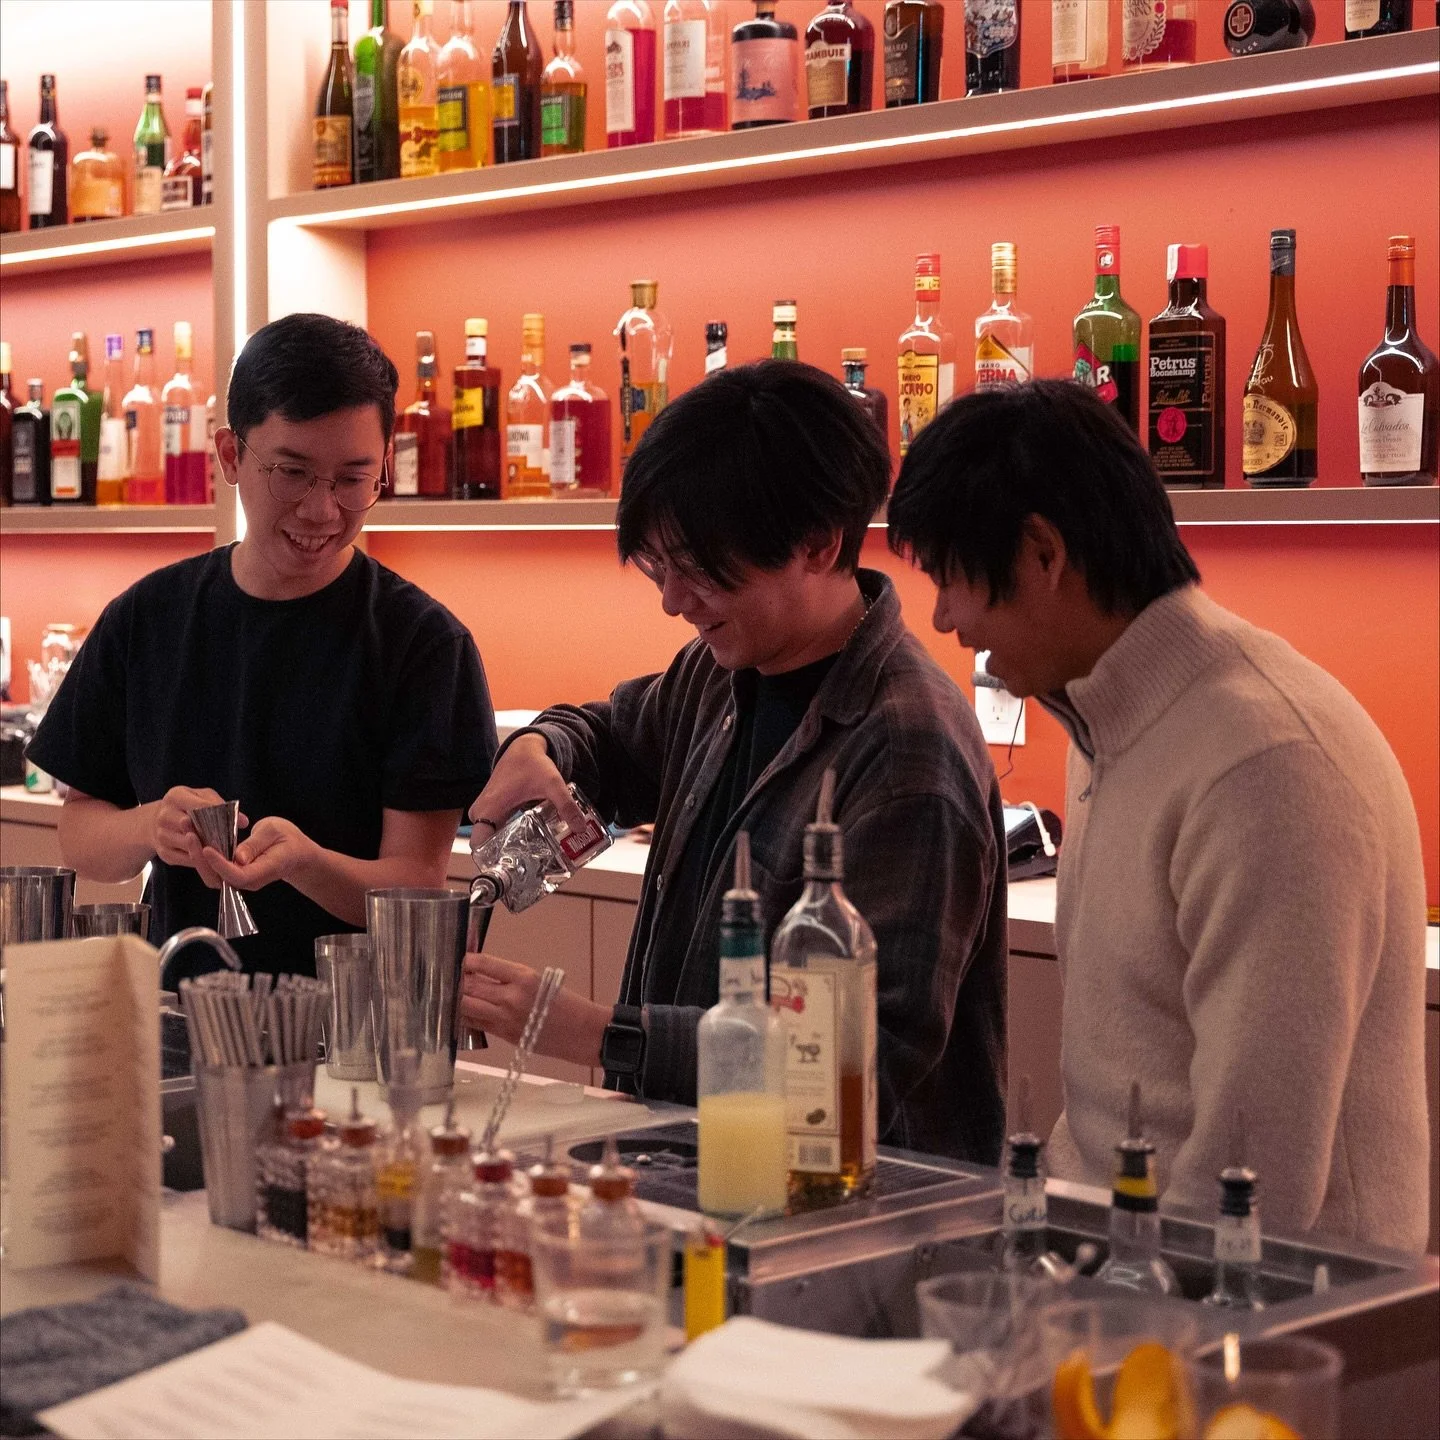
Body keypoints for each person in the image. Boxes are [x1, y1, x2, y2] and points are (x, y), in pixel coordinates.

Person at [888, 378, 1430, 1250]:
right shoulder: (1109, 716)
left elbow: (1253, 1185)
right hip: (1103, 1269)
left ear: (1042, 553)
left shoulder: (1267, 768)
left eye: (953, 579)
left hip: (1270, 1323)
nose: (944, 618)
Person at [462, 360, 1008, 1164]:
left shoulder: (905, 754)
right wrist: (540, 747)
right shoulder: (720, 673)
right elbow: (611, 736)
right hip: (690, 1168)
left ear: (818, 543)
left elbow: (853, 1070)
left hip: (843, 1213)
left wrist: (589, 1029)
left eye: (702, 571)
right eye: (659, 568)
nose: (674, 601)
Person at [29, 313, 498, 976]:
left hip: (351, 1035)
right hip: (179, 1011)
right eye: (294, 473)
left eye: (353, 479)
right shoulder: (147, 618)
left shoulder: (423, 645)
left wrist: (305, 863)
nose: (322, 510)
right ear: (230, 456)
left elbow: (415, 890)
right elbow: (80, 837)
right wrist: (151, 825)